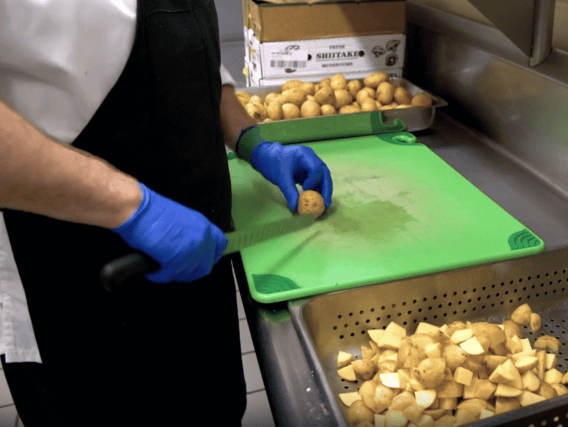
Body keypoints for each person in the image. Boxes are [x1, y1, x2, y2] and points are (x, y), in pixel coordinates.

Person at [0, 1, 332, 426]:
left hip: (196, 269)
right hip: (79, 289)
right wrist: (134, 210)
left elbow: (189, 61)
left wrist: (251, 141)